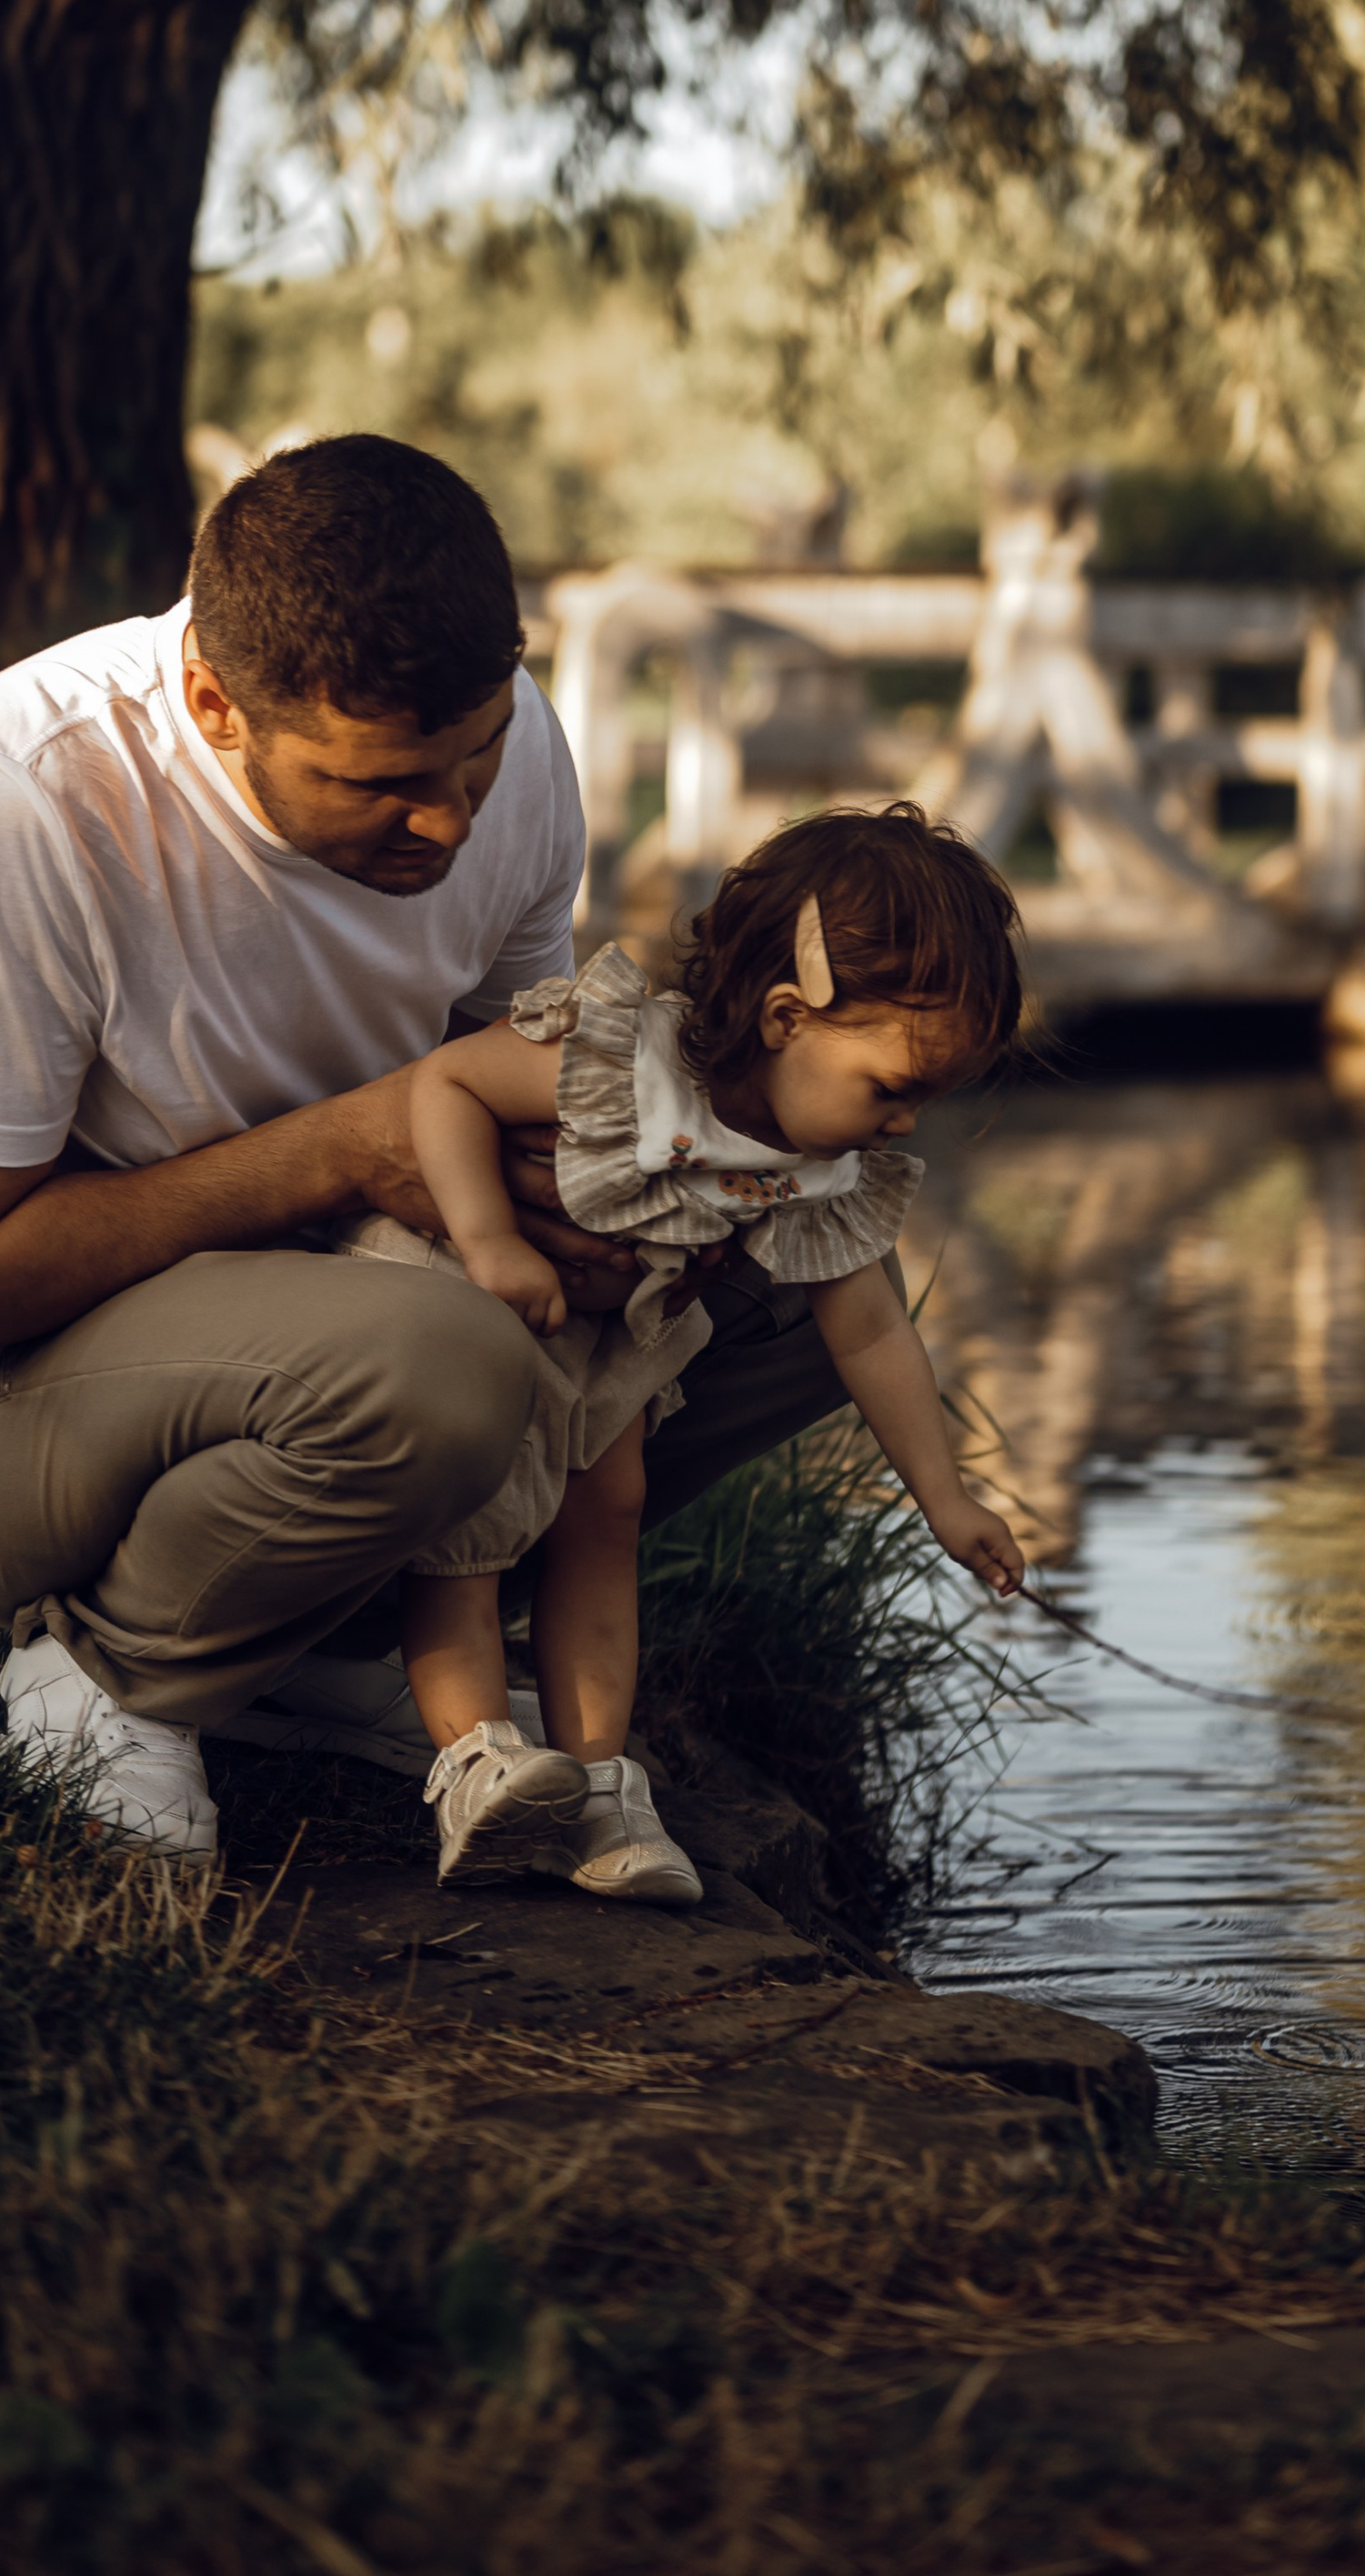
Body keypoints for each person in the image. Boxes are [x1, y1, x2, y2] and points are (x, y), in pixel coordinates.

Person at [0, 436, 895, 1859]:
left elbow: (507, 1077)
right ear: (215, 701)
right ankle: (104, 1676)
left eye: (476, 754)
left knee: (813, 1261)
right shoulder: (17, 807)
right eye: (379, 782)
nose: (448, 819)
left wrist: (591, 1192)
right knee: (442, 1364)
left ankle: (321, 1645)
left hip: (336, 1302)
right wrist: (335, 1152)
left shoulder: (508, 749)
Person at [391, 807, 1029, 1906]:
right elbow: (442, 1084)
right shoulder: (620, 1063)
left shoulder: (818, 1157)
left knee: (611, 1507)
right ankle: (475, 1761)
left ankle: (597, 1783)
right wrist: (489, 1238)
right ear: (787, 1017)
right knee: (479, 1516)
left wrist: (944, 1495)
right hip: (482, 1306)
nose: (905, 1125)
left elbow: (871, 1325)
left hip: (611, 1344)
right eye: (894, 1088)